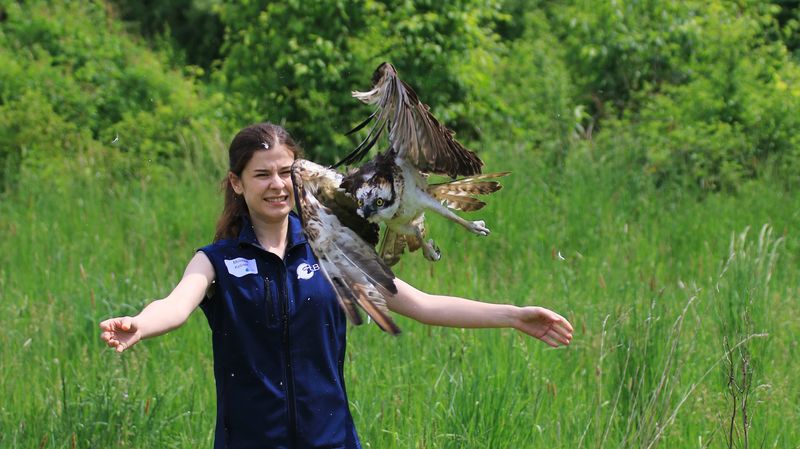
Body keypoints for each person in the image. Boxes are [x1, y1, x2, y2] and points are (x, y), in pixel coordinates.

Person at [99, 122, 574, 449]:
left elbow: (421, 304)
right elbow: (176, 305)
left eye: (286, 172)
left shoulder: (333, 252)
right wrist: (141, 323)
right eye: (261, 174)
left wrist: (513, 316)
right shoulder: (218, 262)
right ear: (237, 184)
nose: (277, 185)